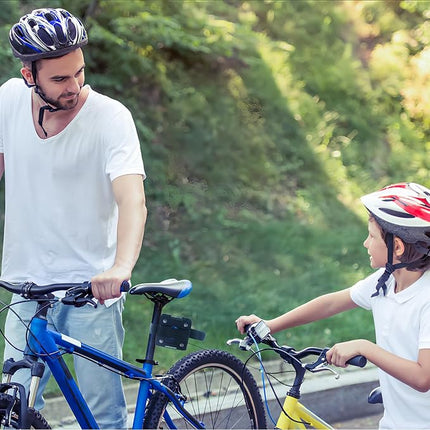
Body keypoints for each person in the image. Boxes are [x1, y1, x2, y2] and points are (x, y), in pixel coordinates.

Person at [0, 7, 147, 428]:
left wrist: (120, 267)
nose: (74, 86)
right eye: (60, 78)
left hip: (90, 291)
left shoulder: (110, 117)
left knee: (102, 417)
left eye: (79, 72)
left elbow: (132, 199)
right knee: (13, 411)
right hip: (26, 288)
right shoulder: (8, 99)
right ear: (30, 75)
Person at [236, 182, 430, 429]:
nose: (365, 243)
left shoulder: (426, 298)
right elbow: (331, 303)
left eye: (371, 236)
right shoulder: (386, 281)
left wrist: (364, 347)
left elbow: (424, 377)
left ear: (398, 247)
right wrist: (271, 325)